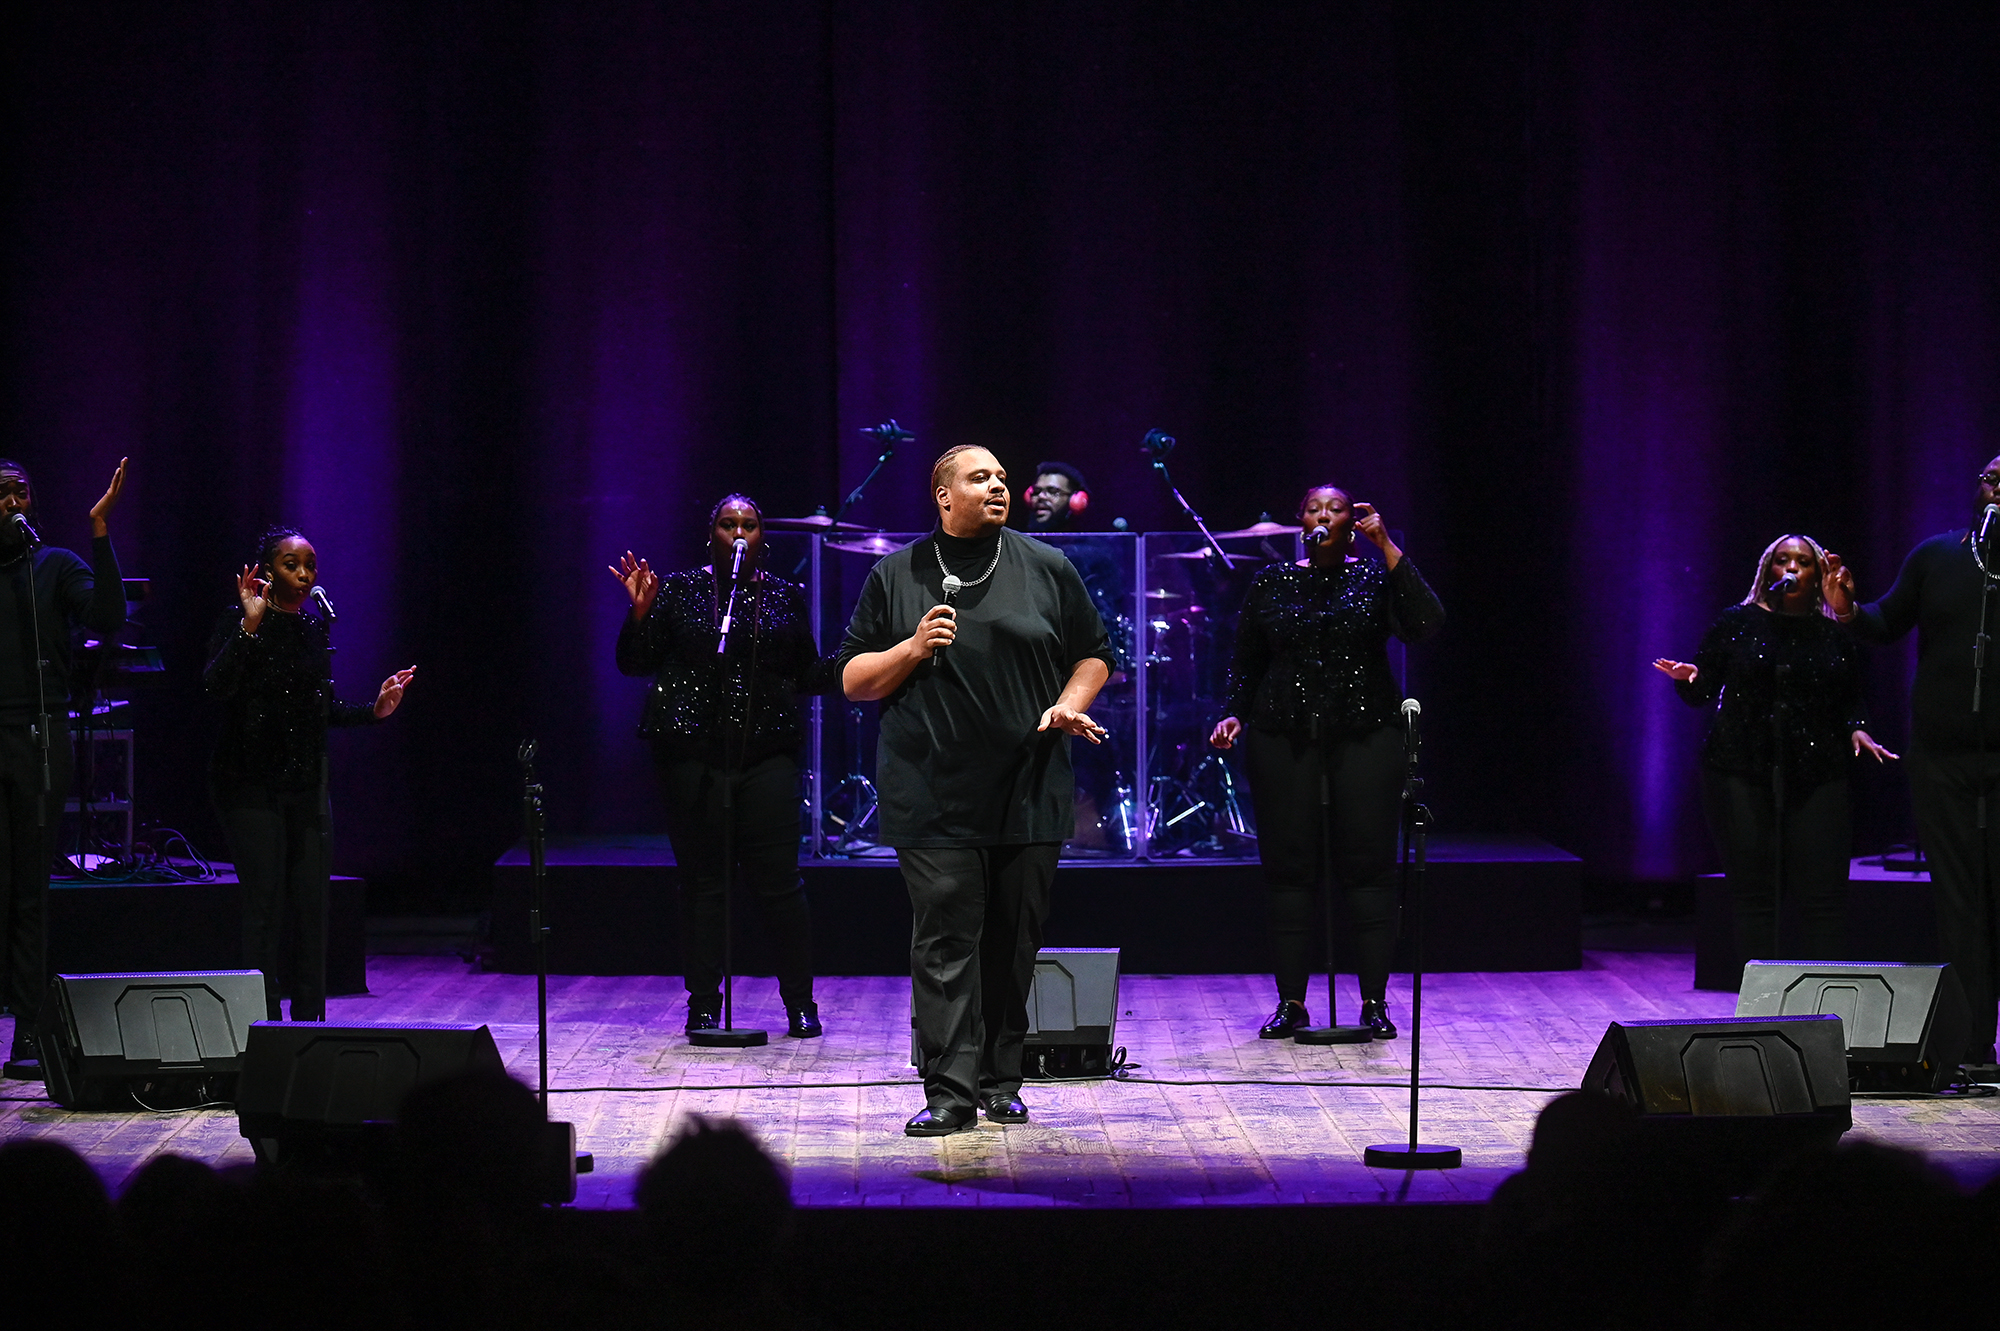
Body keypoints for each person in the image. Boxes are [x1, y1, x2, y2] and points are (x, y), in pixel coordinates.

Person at [839, 446, 1113, 1135]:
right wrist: (911, 648)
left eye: (1000, 475)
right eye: (979, 477)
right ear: (943, 494)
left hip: (1028, 785)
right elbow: (851, 679)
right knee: (945, 938)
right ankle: (949, 1092)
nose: (997, 485)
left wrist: (1068, 701)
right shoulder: (895, 574)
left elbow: (1095, 651)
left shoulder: (1047, 567)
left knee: (1012, 941)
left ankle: (1000, 1078)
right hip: (931, 788)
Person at [1209, 483, 1443, 1040]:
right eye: (1313, 508)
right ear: (1300, 520)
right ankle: (1292, 1001)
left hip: (1365, 734)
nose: (1323, 516)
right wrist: (1234, 714)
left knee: (1367, 866)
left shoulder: (1374, 575)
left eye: (1335, 509)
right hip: (1284, 734)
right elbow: (1247, 659)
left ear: (1351, 521)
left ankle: (1373, 1001)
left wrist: (1385, 544)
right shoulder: (1273, 581)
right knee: (1289, 871)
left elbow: (1426, 622)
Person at [612, 495, 836, 1039]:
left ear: (763, 536)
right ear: (710, 531)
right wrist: (640, 612)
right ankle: (705, 1002)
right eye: (728, 523)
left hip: (766, 755)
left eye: (750, 524)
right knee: (704, 884)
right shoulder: (682, 590)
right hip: (692, 754)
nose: (739, 532)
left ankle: (800, 1003)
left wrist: (860, 662)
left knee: (779, 884)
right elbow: (633, 663)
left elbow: (805, 671)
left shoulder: (785, 596)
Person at [1653, 535, 1894, 970]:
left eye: (1803, 562)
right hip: (1740, 770)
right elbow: (1704, 688)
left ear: (1818, 574)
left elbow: (1849, 696)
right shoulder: (1736, 622)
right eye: (1783, 561)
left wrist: (1859, 730)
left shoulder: (1832, 633)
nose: (1792, 569)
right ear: (1769, 570)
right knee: (1755, 896)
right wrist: (1688, 678)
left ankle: (1824, 1011)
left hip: (1818, 772)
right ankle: (1761, 1015)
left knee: (1822, 898)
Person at [204, 527, 414, 1023]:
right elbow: (216, 686)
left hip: (306, 784)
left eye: (309, 566)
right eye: (290, 565)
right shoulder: (241, 621)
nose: (302, 575)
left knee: (312, 906)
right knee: (265, 906)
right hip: (250, 783)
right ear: (266, 571)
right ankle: (262, 1025)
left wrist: (374, 711)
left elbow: (318, 709)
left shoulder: (312, 628)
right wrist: (249, 631)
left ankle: (310, 1026)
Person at [1831, 458, 2000, 1068]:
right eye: (1989, 476)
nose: (1997, 484)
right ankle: (1974, 1048)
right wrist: (1847, 610)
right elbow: (1884, 621)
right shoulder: (1937, 557)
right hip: (1942, 762)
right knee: (1958, 904)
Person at [0, 456, 127, 1079]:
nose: (12, 502)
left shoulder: (52, 567)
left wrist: (99, 530)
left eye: (20, 491)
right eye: (0, 493)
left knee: (28, 889)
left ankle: (28, 1029)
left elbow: (106, 619)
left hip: (35, 734)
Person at [1024, 461, 1091, 532]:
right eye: (1036, 491)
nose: (1041, 496)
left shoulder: (1092, 543)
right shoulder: (1019, 541)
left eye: (1052, 491)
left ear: (1074, 500)